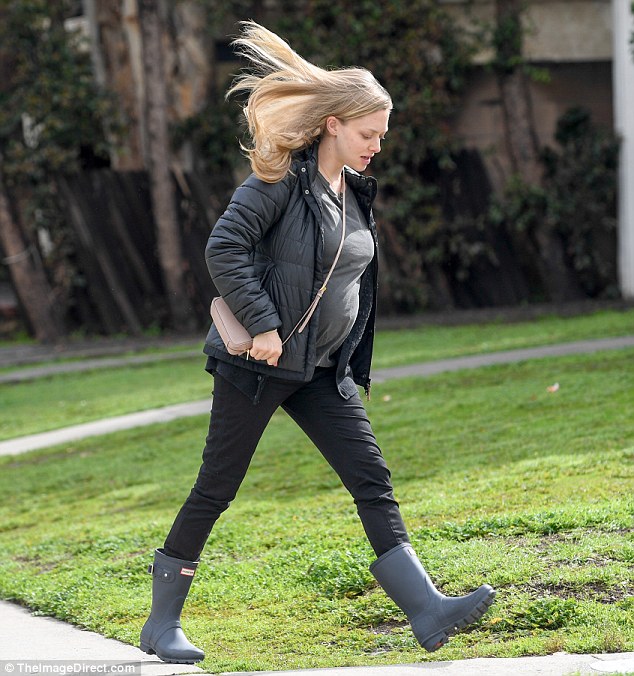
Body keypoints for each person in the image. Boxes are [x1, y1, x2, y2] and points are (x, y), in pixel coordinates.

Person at [139, 22, 496, 665]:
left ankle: (427, 609)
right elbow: (225, 248)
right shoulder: (277, 181)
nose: (376, 148)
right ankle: (161, 623)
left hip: (322, 371)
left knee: (371, 479)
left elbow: (350, 276)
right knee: (217, 486)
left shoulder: (354, 194)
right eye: (368, 135)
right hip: (259, 365)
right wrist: (265, 324)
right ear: (333, 124)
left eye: (382, 137)